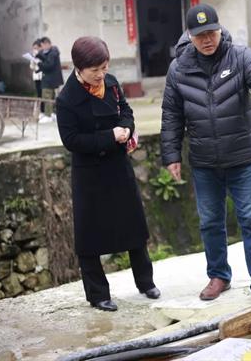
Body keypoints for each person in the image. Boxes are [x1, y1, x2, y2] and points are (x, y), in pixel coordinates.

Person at [160, 4, 251, 302]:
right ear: (189, 36)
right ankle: (218, 275)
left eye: (211, 32)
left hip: (243, 157)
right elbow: (171, 115)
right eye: (200, 35)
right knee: (210, 222)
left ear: (220, 29)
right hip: (204, 161)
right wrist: (171, 155)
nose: (207, 39)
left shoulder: (240, 56)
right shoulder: (178, 69)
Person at [56, 36, 160, 312]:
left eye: (104, 67)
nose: (101, 74)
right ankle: (98, 294)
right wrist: (109, 136)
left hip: (117, 165)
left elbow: (125, 110)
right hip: (89, 174)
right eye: (95, 70)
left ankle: (146, 282)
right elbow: (71, 140)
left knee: (133, 225)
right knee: (89, 236)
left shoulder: (111, 84)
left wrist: (126, 128)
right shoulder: (66, 99)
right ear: (79, 68)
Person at [36, 36, 64, 123]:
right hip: (52, 79)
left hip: (50, 79)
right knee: (52, 97)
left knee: (47, 96)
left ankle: (48, 115)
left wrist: (39, 63)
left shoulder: (53, 53)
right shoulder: (51, 52)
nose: (42, 48)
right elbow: (46, 60)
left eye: (42, 45)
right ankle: (53, 114)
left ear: (47, 44)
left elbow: (49, 65)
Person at [29, 39, 45, 117]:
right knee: (39, 94)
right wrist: (33, 60)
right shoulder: (33, 56)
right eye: (33, 48)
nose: (34, 50)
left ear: (40, 48)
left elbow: (44, 65)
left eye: (36, 48)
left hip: (42, 76)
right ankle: (40, 111)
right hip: (36, 77)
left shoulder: (43, 55)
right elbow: (31, 67)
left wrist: (37, 60)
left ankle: (44, 111)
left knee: (43, 94)